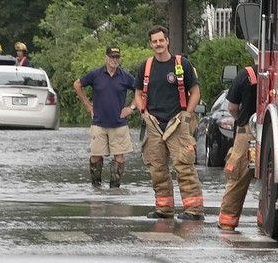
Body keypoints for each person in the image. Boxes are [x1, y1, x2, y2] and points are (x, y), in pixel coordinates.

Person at [133, 25, 204, 220]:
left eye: (161, 40)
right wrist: (144, 113)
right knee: (157, 168)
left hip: (177, 122)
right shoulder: (145, 66)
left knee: (184, 166)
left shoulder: (182, 64)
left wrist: (187, 115)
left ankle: (194, 210)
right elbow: (138, 93)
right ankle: (164, 210)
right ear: (150, 44)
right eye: (154, 41)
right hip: (153, 123)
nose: (158, 44)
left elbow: (195, 92)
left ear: (167, 41)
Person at [73, 46, 136, 188]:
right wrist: (88, 105)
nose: (115, 60)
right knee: (95, 157)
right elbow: (77, 85)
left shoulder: (126, 76)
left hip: (119, 123)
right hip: (99, 122)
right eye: (112, 57)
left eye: (117, 57)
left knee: (119, 158)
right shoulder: (95, 74)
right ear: (106, 58)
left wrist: (131, 108)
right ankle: (96, 188)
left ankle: (115, 189)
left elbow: (141, 91)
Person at [217, 65, 258, 232]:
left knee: (237, 176)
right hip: (275, 132)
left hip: (247, 134)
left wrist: (241, 119)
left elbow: (232, 108)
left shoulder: (245, 75)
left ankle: (227, 222)